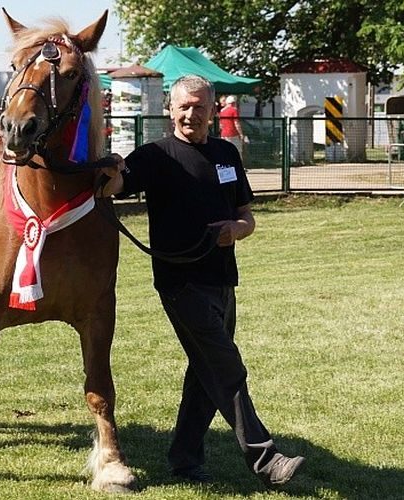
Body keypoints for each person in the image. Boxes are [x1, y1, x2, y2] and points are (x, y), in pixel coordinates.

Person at [100, 75, 304, 488]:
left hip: (223, 280)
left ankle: (184, 459)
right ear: (170, 110)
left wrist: (238, 229)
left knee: (204, 370)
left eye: (199, 106)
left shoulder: (227, 153)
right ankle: (266, 460)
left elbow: (247, 214)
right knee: (226, 365)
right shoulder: (155, 156)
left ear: (213, 111)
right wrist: (110, 169)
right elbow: (117, 185)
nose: (191, 114)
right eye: (183, 106)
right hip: (180, 283)